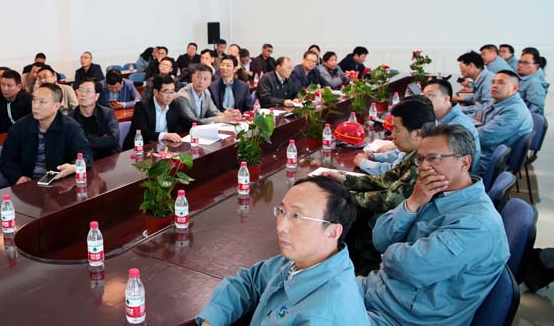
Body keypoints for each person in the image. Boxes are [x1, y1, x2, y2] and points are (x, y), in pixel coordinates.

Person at [358, 124, 509, 326]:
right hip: (378, 290)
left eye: (434, 158)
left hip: (401, 317)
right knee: (315, 286)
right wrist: (413, 203)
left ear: (465, 162)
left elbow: (409, 268)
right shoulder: (432, 193)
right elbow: (380, 239)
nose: (423, 167)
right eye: (420, 159)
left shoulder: (477, 224)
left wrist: (391, 252)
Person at [196, 178, 368, 326]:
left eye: (297, 216)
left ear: (332, 232)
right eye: (282, 211)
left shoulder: (322, 317)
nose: (281, 226)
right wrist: (211, 320)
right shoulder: (303, 260)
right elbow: (249, 282)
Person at [330, 97, 435, 216]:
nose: (392, 135)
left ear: (417, 133)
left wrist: (338, 197)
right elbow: (385, 180)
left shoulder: (424, 164)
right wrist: (344, 179)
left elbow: (387, 201)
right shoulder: (415, 153)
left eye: (397, 129)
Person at [0, 83, 93, 185]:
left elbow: (86, 154)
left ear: (56, 106)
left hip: (59, 182)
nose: (35, 106)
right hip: (27, 184)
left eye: (42, 102)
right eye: (34, 100)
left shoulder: (70, 127)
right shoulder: (19, 127)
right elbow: (6, 160)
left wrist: (74, 166)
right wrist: (18, 177)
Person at [469, 70, 533, 176]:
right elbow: (477, 113)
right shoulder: (498, 101)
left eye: (501, 83)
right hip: (480, 151)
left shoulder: (514, 111)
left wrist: (457, 128)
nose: (494, 86)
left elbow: (482, 137)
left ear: (515, 88)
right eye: (493, 82)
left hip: (484, 161)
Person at [422, 79, 481, 168]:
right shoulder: (442, 118)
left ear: (446, 99)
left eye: (430, 95)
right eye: (424, 95)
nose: (424, 100)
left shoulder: (457, 125)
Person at [123, 75, 183, 150]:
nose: (170, 96)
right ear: (155, 92)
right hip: (141, 148)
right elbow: (143, 132)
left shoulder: (174, 105)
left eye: (172, 92)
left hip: (164, 147)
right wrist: (165, 135)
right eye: (166, 92)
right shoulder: (142, 106)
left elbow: (184, 122)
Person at [173, 64, 240, 130]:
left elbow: (213, 111)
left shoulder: (206, 92)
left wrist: (228, 115)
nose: (201, 81)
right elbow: (193, 122)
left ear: (210, 82)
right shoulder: (182, 97)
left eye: (205, 79)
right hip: (184, 132)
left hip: (201, 131)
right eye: (198, 77)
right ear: (192, 77)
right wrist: (221, 118)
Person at [71, 78, 120, 159]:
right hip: (83, 160)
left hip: (108, 158)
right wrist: (102, 139)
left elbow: (114, 140)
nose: (83, 94)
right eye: (80, 90)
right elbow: (72, 146)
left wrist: (87, 140)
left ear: (97, 96)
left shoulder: (107, 113)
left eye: (88, 91)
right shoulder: (71, 118)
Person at [0, 69, 32, 135]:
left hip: (21, 135)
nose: (5, 89)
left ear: (19, 87)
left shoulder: (27, 99)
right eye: (3, 84)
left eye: (9, 86)